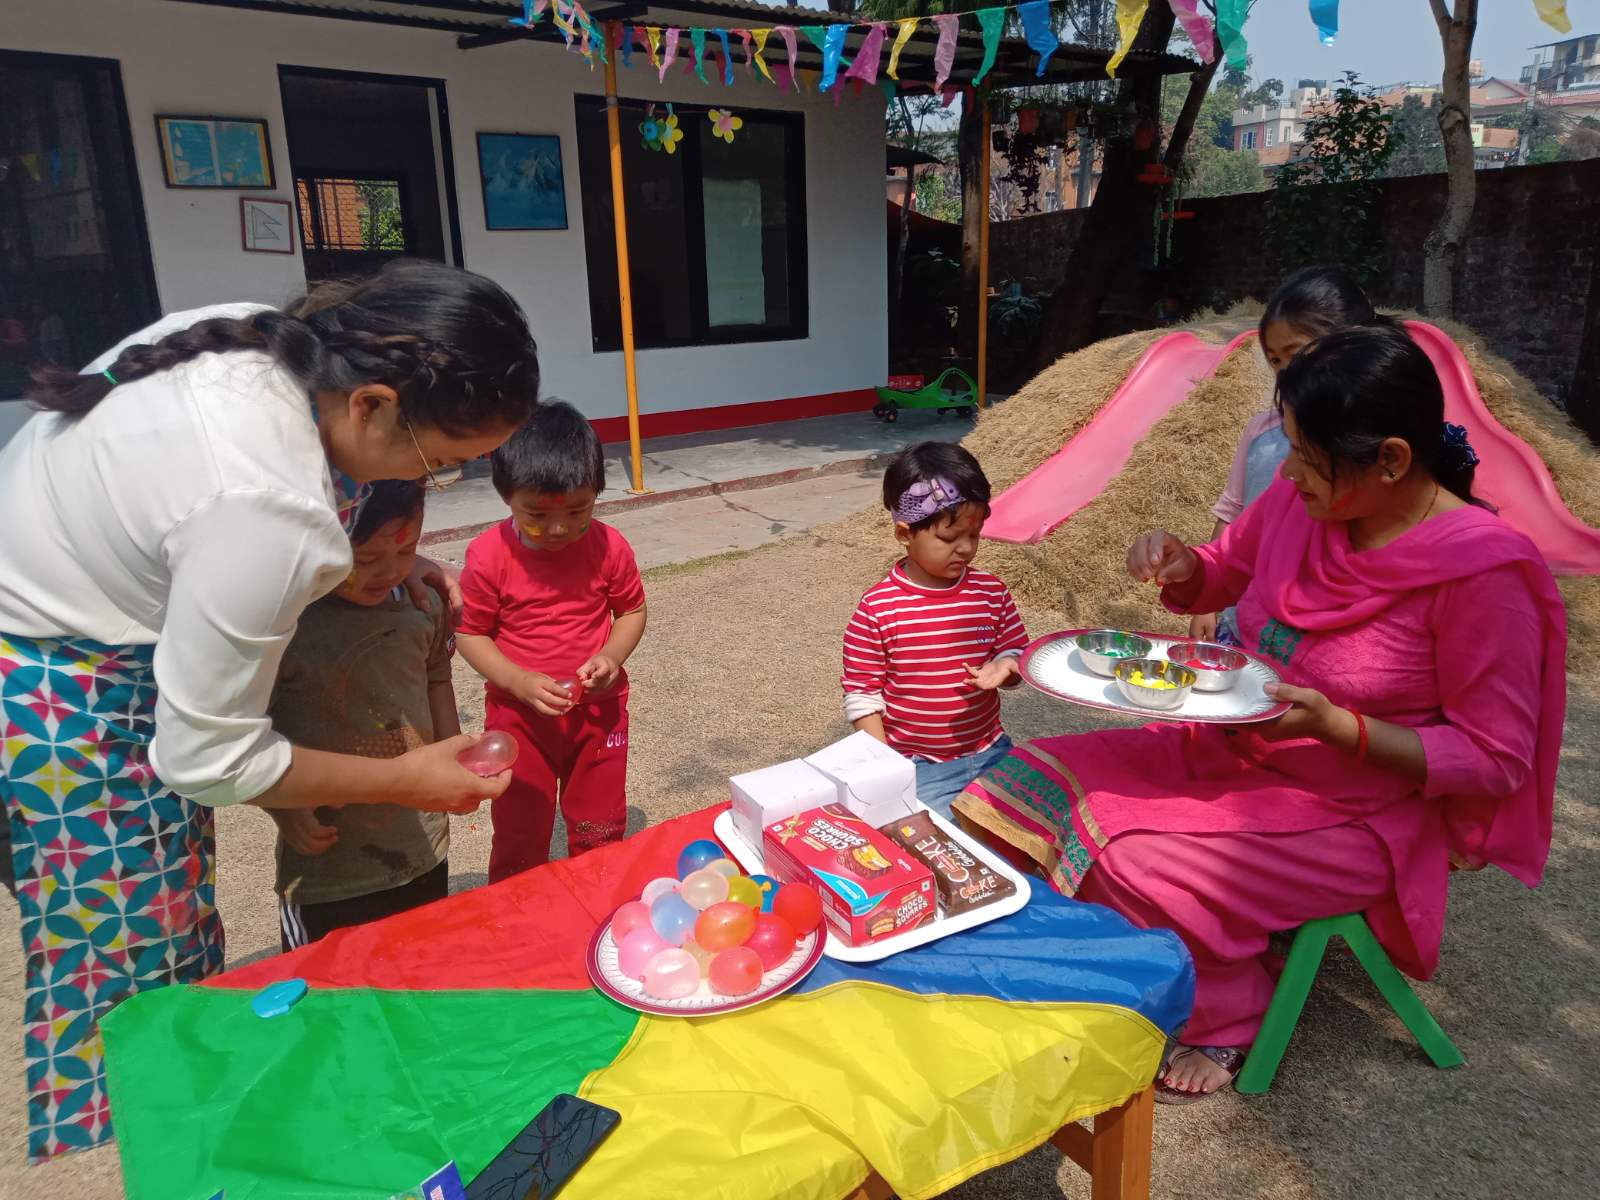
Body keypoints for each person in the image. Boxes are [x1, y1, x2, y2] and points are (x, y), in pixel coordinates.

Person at [0, 259, 536, 1161]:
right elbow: (209, 759)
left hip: (58, 606)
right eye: (440, 464)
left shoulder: (280, 344)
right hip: (58, 691)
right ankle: (172, 1155)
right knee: (140, 990)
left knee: (167, 953)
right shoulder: (267, 508)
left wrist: (393, 557)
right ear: (371, 405)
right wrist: (404, 778)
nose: (440, 480)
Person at [954, 326, 1566, 1104]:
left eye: (1308, 455)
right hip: (1234, 751)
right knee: (1022, 778)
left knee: (1133, 859)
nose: (1289, 470)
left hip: (1360, 815)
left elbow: (1494, 759)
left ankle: (1231, 1005)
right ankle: (1131, 952)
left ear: (1391, 460)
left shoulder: (1483, 575)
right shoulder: (1301, 501)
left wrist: (1338, 728)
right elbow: (1222, 571)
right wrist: (1184, 565)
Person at [456, 402, 647, 882]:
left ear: (596, 493)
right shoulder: (489, 556)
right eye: (537, 515)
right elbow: (470, 632)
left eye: (578, 512)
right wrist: (518, 682)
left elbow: (631, 611)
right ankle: (518, 907)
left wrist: (611, 656)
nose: (559, 529)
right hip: (519, 719)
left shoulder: (610, 547)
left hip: (598, 714)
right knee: (519, 831)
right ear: (507, 496)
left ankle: (598, 894)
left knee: (599, 824)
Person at [267, 480, 459, 950]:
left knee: (420, 970)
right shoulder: (281, 625)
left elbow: (437, 675)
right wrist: (282, 806)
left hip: (422, 850)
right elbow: (248, 733)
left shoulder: (420, 604)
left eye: (407, 550)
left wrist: (455, 754)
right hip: (329, 872)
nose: (389, 572)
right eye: (365, 559)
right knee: (329, 989)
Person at [1192, 265, 1391, 644]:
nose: (1286, 374)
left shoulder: (1371, 443)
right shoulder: (1262, 433)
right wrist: (1204, 595)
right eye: (1275, 361)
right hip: (1246, 623)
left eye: (1297, 355)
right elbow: (1232, 519)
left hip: (1314, 636)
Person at [842, 442, 1030, 818]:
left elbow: (1017, 655)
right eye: (948, 538)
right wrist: (888, 769)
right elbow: (863, 695)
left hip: (992, 751)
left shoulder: (990, 592)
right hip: (919, 766)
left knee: (1030, 827)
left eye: (974, 535)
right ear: (905, 533)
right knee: (938, 841)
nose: (965, 549)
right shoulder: (878, 609)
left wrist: (1007, 666)